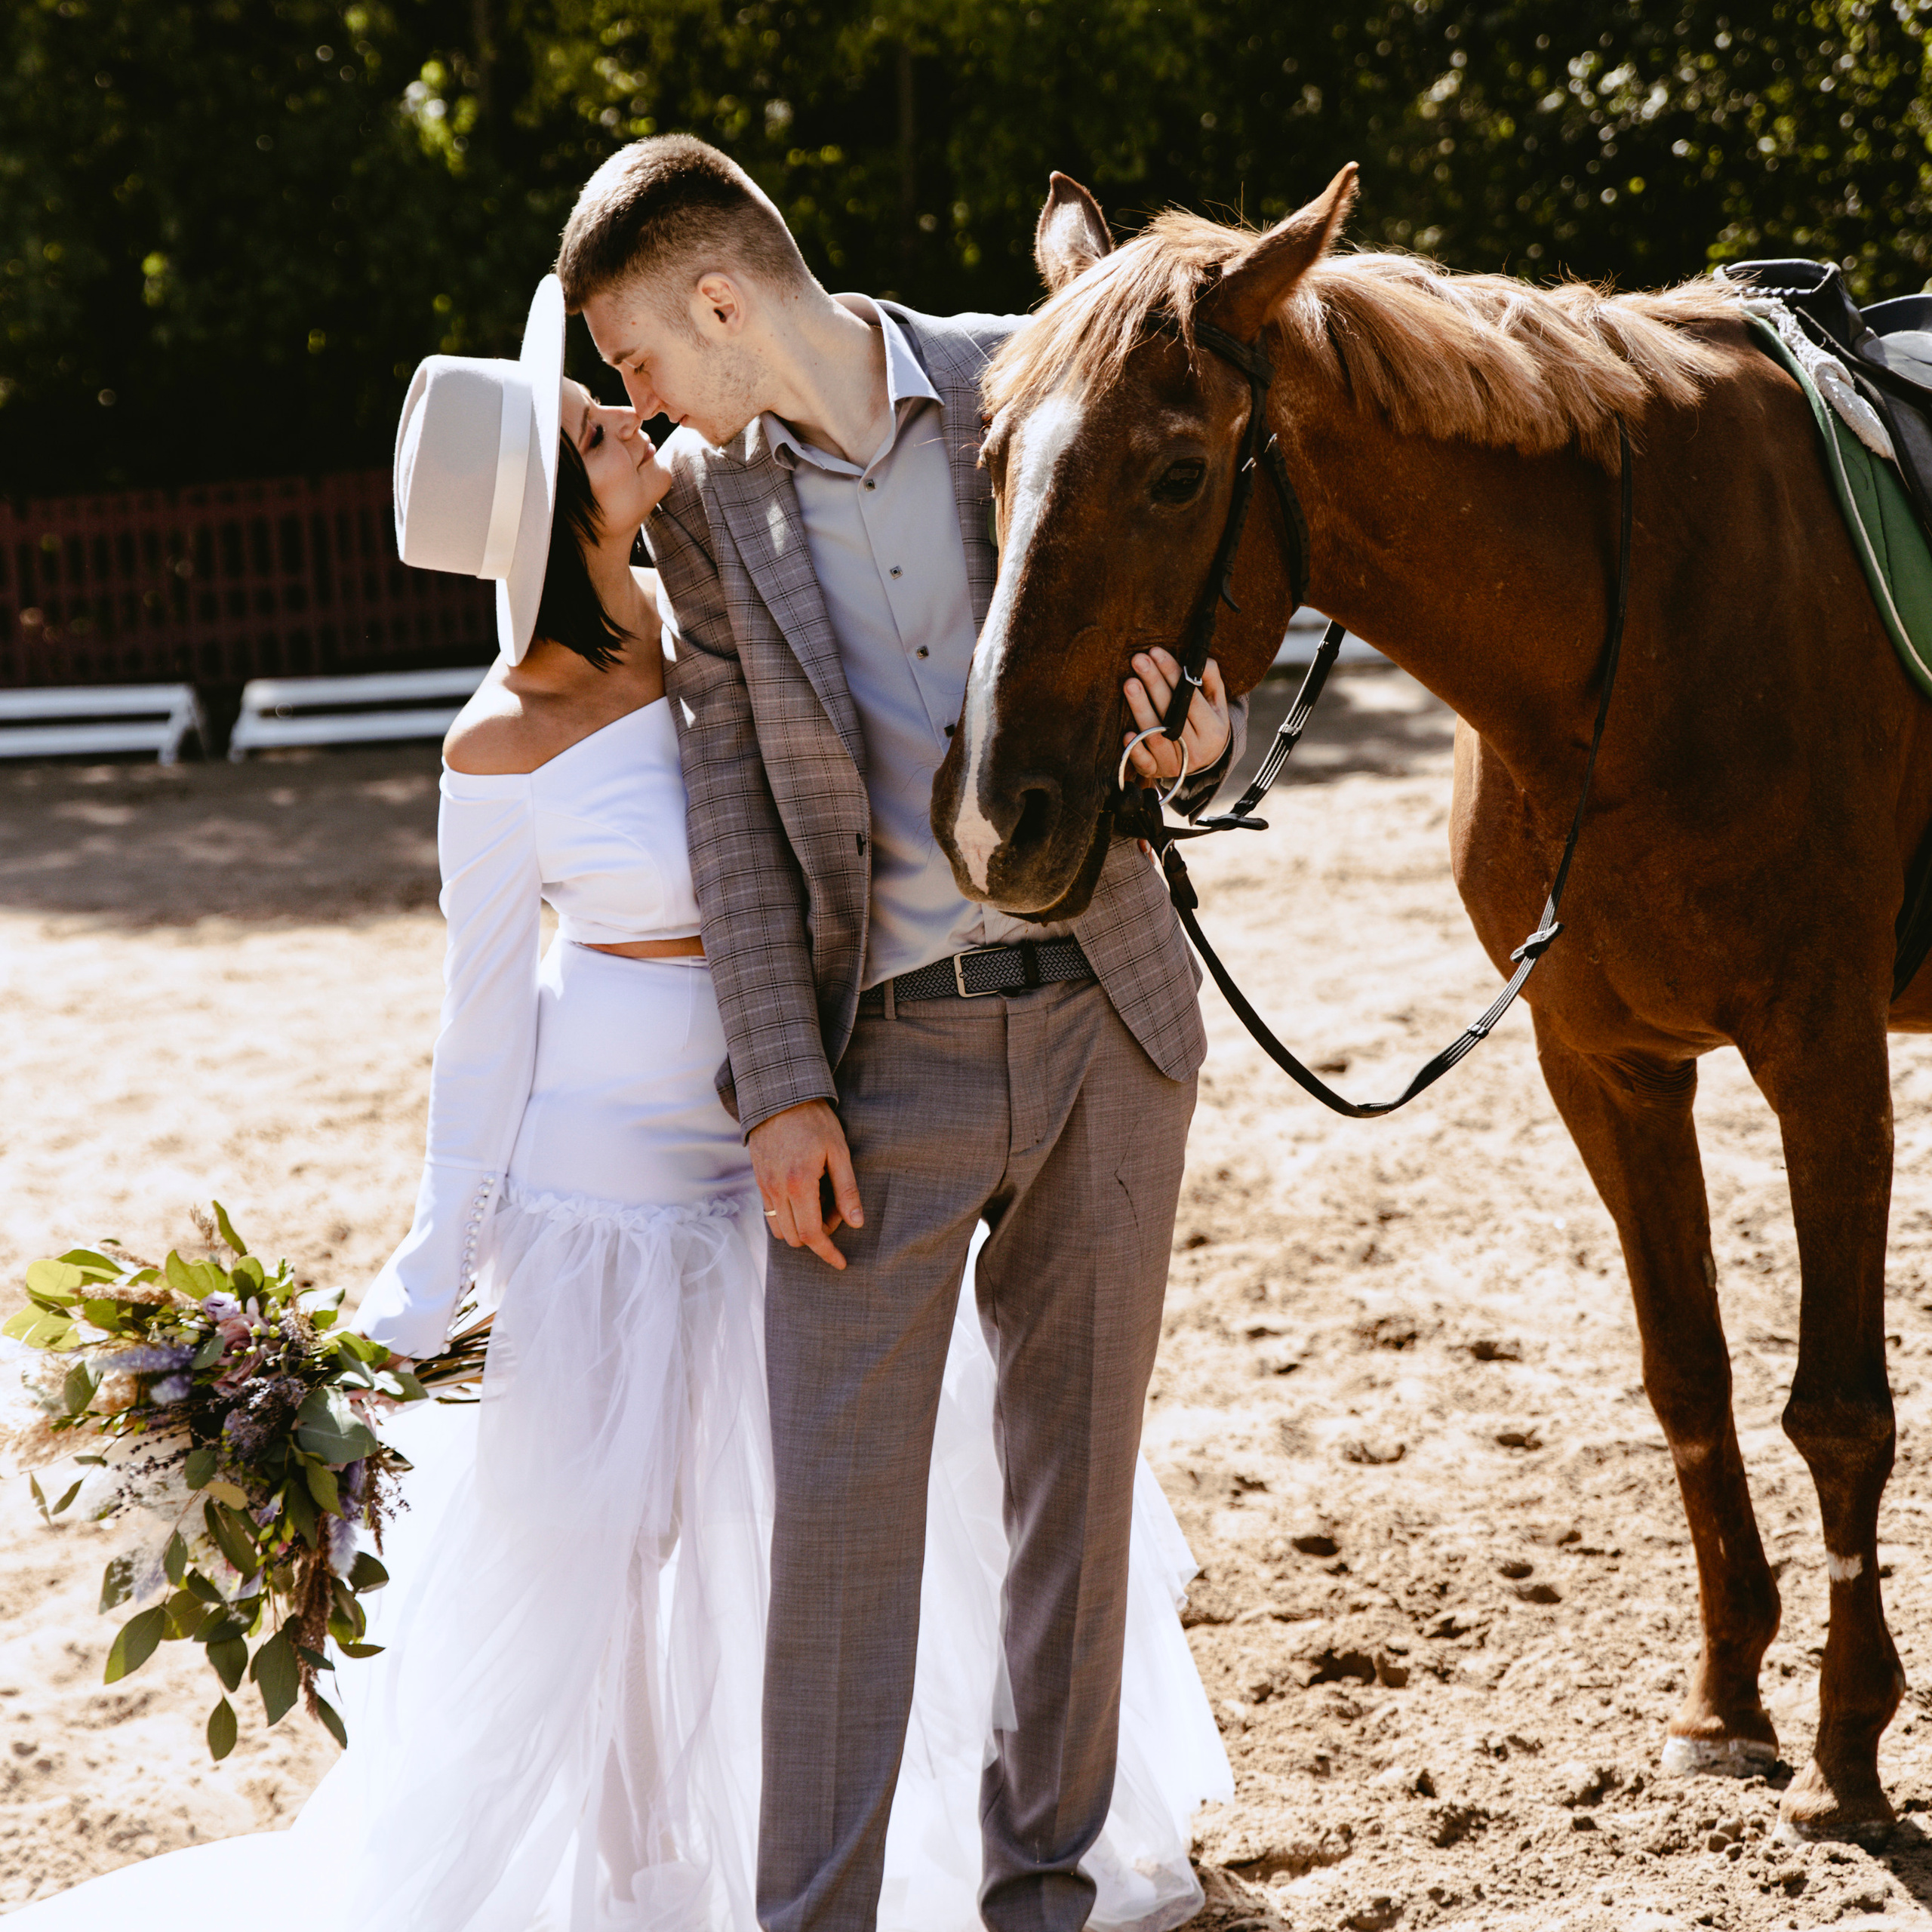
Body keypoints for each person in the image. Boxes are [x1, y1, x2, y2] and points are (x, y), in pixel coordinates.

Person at [10, 278, 1228, 1931]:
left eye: (614, 395)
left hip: (791, 1139)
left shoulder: (715, 583)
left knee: (825, 1523)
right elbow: (483, 1023)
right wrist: (427, 1274)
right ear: (549, 504)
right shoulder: (499, 743)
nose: (627, 415)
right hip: (610, 1182)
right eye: (594, 428)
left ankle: (868, 1859)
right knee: (602, 1564)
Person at [555, 137, 1244, 1932]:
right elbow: (728, 810)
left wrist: (1200, 742)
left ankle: (1041, 1899)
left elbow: (1191, 646)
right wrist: (780, 1086)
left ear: (717, 301)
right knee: (839, 1546)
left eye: (630, 356)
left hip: (1108, 1022)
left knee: (1071, 1514)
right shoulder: (704, 511)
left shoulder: (1023, 376)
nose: (634, 398)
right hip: (884, 1070)